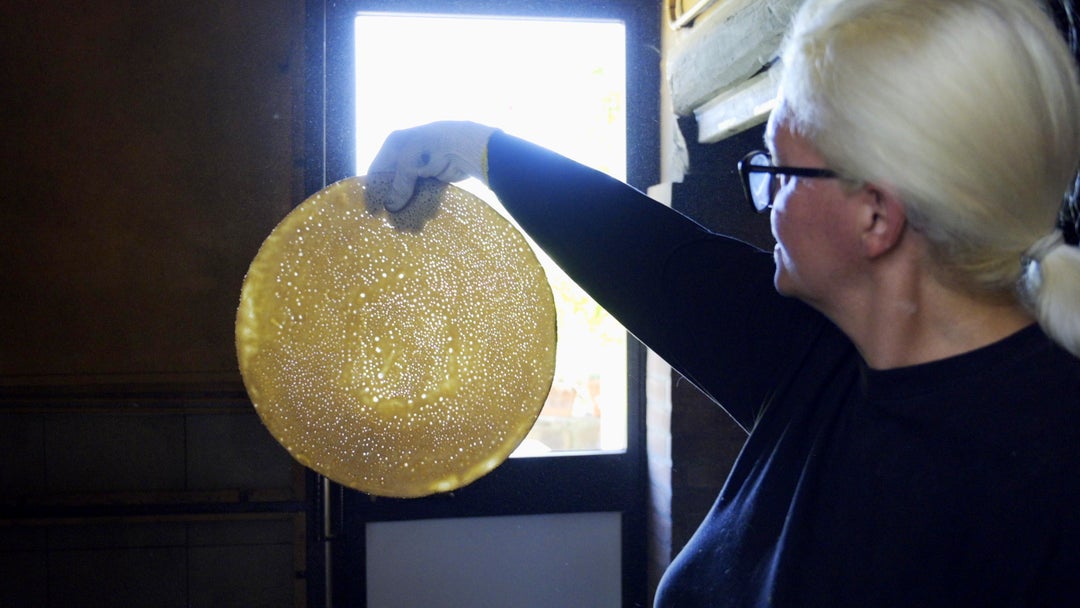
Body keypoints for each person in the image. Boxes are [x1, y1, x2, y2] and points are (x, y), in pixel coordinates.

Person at [367, 0, 1080, 605]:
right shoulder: (832, 351)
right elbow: (655, 261)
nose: (766, 203)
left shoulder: (1041, 488)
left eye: (780, 172)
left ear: (875, 216)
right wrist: (473, 148)